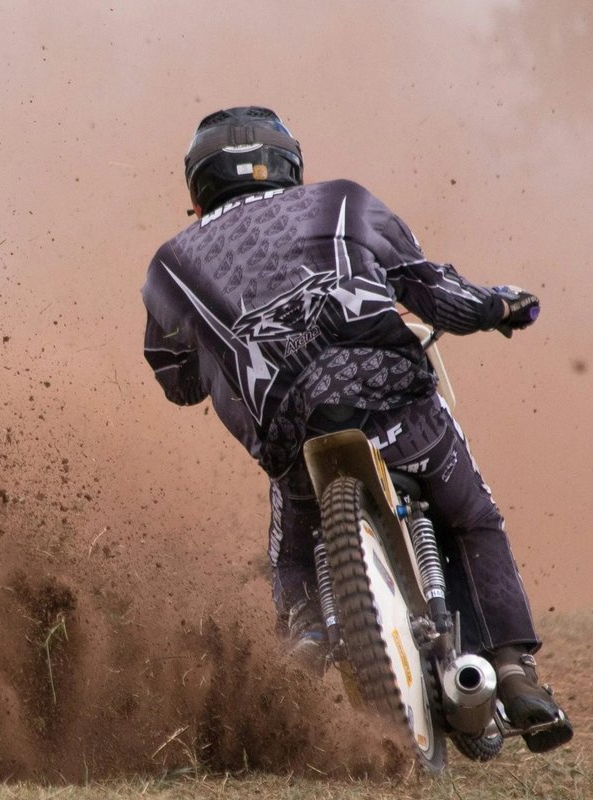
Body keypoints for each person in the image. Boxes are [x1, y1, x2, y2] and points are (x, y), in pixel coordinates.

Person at [141, 106, 571, 753]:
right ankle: (512, 672)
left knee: (291, 547)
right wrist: (502, 306)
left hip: (291, 433)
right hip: (395, 402)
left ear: (198, 186)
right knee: (472, 517)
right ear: (289, 163)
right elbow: (432, 292)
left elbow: (177, 382)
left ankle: (306, 637)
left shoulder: (171, 265)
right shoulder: (342, 204)